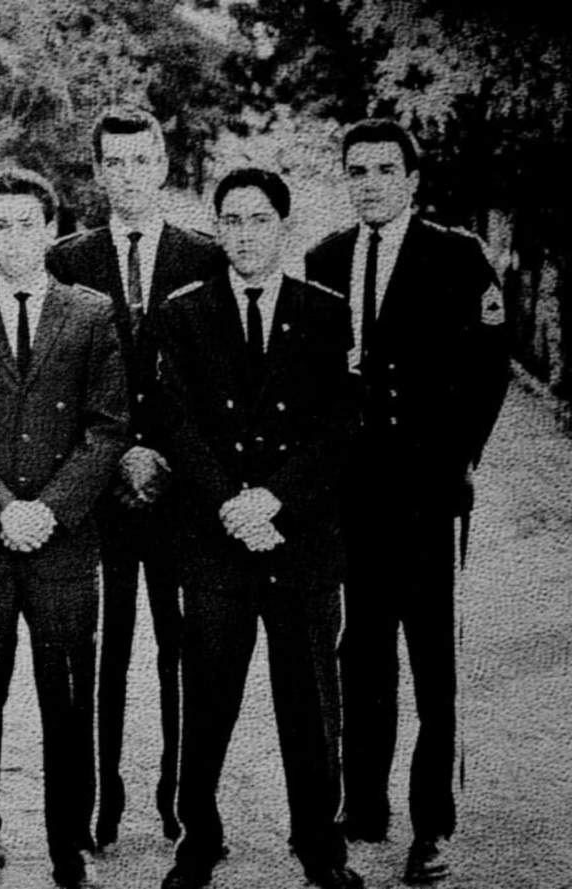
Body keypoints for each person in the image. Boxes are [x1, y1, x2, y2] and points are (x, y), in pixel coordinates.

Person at [304, 119, 509, 885]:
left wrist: (456, 459)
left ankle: (432, 825)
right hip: (352, 492)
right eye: (357, 171)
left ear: (413, 181)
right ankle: (365, 804)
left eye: (385, 170)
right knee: (361, 650)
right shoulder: (327, 258)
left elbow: (489, 368)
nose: (370, 184)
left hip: (424, 490)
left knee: (431, 658)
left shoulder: (457, 255)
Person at [152, 168, 362, 889]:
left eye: (259, 220)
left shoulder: (325, 311)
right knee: (207, 696)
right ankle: (198, 840)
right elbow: (176, 422)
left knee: (310, 699)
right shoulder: (184, 311)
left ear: (284, 227)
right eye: (232, 221)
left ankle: (320, 845)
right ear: (217, 228)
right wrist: (231, 505)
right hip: (217, 540)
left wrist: (274, 500)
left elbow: (339, 424)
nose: (244, 235)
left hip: (298, 539)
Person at [0, 169, 130, 889]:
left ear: (51, 230)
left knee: (67, 701)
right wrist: (2, 508)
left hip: (62, 543)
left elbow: (107, 427)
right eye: (1, 225)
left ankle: (69, 849)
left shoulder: (91, 313)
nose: (14, 238)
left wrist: (49, 508)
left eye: (27, 224)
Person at [46, 103, 227, 847]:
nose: (129, 175)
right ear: (97, 172)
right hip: (99, 490)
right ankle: (101, 801)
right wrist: (115, 450)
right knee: (100, 649)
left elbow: (214, 381)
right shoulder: (68, 259)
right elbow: (57, 379)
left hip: (182, 490)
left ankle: (181, 799)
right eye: (114, 163)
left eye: (142, 160)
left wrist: (163, 452)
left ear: (162, 165)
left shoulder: (204, 255)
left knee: (182, 647)